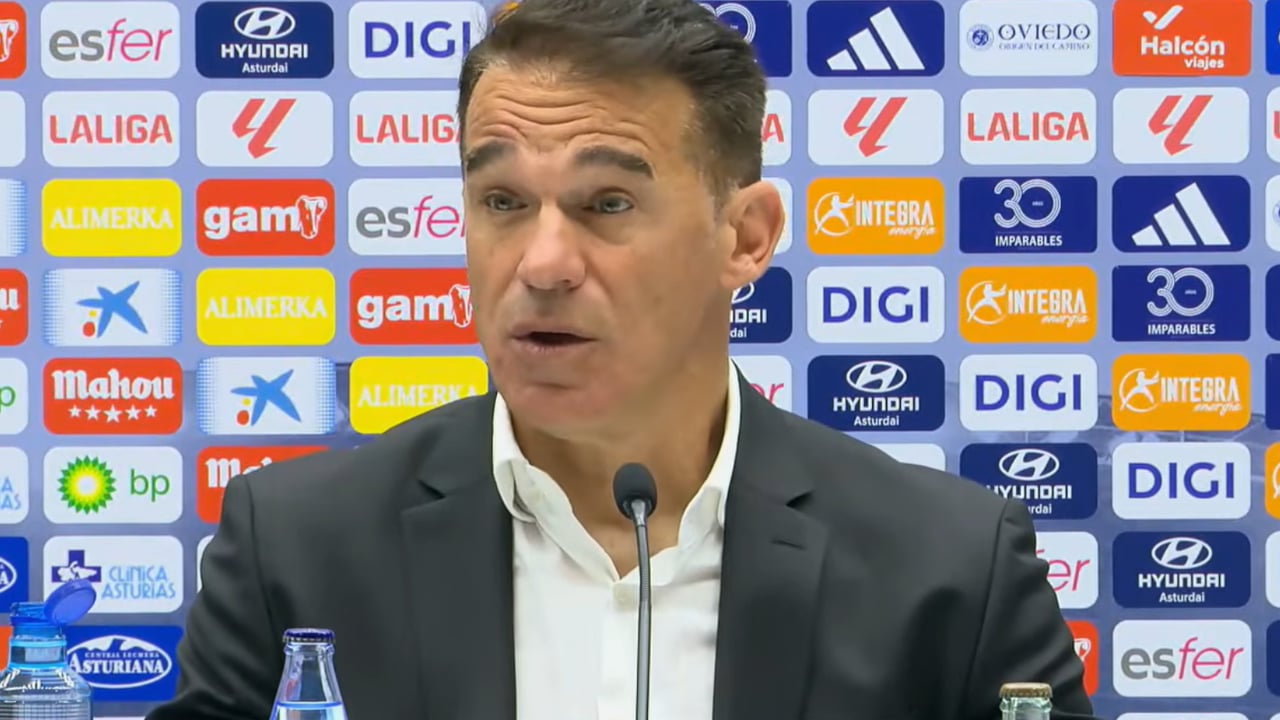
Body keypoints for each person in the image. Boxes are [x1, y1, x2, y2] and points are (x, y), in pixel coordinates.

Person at [146, 0, 1099, 718]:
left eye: (607, 204)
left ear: (746, 236)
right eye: (503, 202)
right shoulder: (298, 548)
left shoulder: (948, 570)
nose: (543, 264)